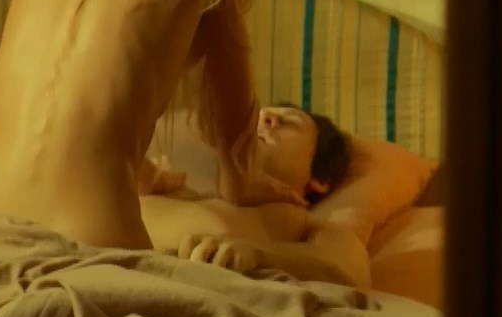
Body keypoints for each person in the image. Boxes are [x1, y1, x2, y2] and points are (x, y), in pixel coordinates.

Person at [0, 0, 321, 251]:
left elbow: (77, 107)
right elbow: (237, 175)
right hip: (89, 239)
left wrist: (147, 174)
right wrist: (251, 182)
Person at [142, 102, 374, 289]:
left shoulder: (305, 227)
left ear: (320, 180)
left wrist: (258, 256)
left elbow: (348, 272)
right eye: (256, 115)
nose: (263, 117)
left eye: (288, 123)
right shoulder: (174, 186)